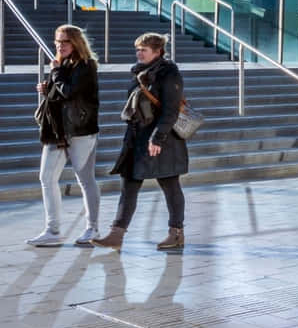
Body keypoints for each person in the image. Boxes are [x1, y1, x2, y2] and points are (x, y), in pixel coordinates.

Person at [94, 33, 189, 251]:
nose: (139, 53)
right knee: (129, 185)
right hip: (137, 139)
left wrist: (158, 137)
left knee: (170, 185)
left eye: (144, 50)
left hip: (162, 140)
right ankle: (116, 234)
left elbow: (170, 110)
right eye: (137, 49)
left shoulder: (169, 73)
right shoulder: (140, 72)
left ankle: (176, 233)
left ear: (158, 52)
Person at [30, 24, 102, 247]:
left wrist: (55, 73)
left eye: (65, 42)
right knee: (46, 177)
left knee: (85, 179)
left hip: (80, 131)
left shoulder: (87, 66)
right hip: (57, 131)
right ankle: (53, 230)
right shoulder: (61, 66)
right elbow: (59, 94)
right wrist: (47, 87)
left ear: (76, 43)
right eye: (57, 42)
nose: (60, 46)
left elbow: (69, 91)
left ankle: (93, 228)